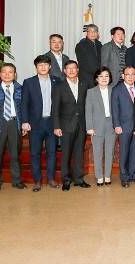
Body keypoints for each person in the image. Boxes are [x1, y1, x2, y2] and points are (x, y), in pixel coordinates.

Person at [0, 63, 26, 194]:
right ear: (0, 74)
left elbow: (24, 109)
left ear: (15, 74)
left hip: (14, 123)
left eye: (10, 72)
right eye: (4, 72)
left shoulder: (20, 89)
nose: (7, 74)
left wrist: (24, 123)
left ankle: (17, 181)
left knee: (15, 155)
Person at [21, 55, 60, 192]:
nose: (43, 67)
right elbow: (24, 103)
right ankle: (37, 181)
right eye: (40, 65)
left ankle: (51, 179)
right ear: (36, 67)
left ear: (50, 66)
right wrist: (25, 121)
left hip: (52, 123)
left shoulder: (57, 81)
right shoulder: (29, 82)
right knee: (35, 153)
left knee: (52, 153)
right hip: (35, 124)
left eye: (45, 65)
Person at [52, 60, 91, 191]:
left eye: (74, 68)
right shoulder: (59, 87)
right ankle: (66, 180)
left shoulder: (84, 84)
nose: (71, 70)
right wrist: (56, 126)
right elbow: (55, 108)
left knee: (79, 153)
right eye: (68, 68)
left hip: (81, 124)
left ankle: (79, 179)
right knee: (66, 154)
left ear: (78, 70)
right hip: (65, 125)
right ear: (65, 71)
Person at [85, 67, 116, 187]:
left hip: (111, 125)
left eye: (106, 76)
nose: (104, 78)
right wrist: (89, 127)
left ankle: (107, 176)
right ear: (97, 79)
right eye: (101, 76)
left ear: (110, 78)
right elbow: (88, 110)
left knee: (110, 152)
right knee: (97, 153)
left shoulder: (114, 90)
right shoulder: (91, 92)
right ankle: (99, 176)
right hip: (96, 126)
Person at [112, 66, 135, 187]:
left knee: (134, 151)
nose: (130, 77)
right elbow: (114, 109)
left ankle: (133, 174)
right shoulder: (117, 89)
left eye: (133, 74)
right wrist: (116, 125)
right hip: (123, 126)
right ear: (123, 76)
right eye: (127, 74)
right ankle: (124, 177)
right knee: (124, 152)